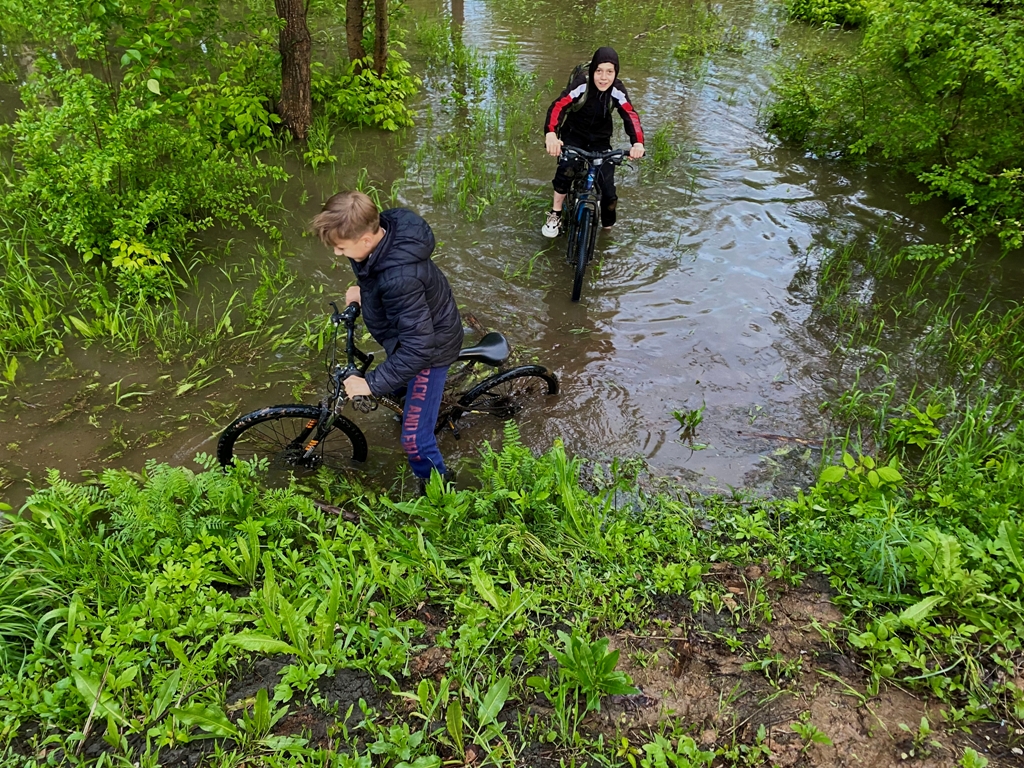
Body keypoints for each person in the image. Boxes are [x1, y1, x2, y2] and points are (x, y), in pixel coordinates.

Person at [310, 191, 464, 492]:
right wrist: (365, 293)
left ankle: (440, 489)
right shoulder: (385, 232)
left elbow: (419, 348)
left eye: (341, 248)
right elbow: (379, 275)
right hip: (417, 331)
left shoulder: (400, 278)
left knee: (414, 440)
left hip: (429, 351)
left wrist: (369, 384)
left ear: (365, 241)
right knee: (398, 391)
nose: (338, 254)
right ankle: (410, 408)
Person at [542, 47, 645, 238]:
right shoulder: (582, 83)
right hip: (573, 135)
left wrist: (637, 143)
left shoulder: (617, 90)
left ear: (616, 73)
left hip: (600, 140)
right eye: (599, 71)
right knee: (566, 170)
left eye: (609, 72)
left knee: (608, 191)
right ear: (592, 71)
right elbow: (558, 106)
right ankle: (556, 213)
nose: (603, 77)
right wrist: (551, 134)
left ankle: (607, 231)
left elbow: (630, 115)